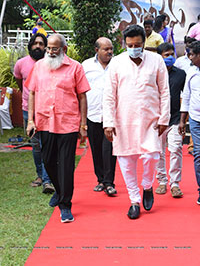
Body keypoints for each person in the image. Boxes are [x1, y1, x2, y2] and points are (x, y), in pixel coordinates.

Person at [103, 25, 170, 219]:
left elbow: (164, 91)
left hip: (151, 119)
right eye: (130, 45)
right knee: (126, 160)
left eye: (138, 44)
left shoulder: (157, 60)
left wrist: (164, 118)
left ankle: (147, 185)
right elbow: (109, 95)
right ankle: (134, 200)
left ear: (144, 43)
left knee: (151, 157)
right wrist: (108, 122)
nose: (134, 47)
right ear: (125, 44)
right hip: (123, 119)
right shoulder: (116, 63)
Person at [26, 34, 90, 223]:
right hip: (44, 122)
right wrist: (30, 120)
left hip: (68, 123)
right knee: (47, 160)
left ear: (64, 49)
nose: (51, 52)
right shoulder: (38, 67)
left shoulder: (76, 67)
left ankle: (65, 204)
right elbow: (32, 93)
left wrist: (83, 124)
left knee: (66, 165)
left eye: (55, 49)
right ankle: (59, 190)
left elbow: (82, 97)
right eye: (48, 48)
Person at [14, 33, 55, 194]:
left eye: (41, 44)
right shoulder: (21, 64)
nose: (38, 46)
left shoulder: (51, 64)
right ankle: (40, 175)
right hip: (27, 110)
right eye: (35, 44)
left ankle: (47, 179)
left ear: (45, 47)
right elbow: (20, 81)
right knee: (36, 145)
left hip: (46, 110)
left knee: (47, 144)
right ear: (30, 46)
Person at [82, 37, 117, 196]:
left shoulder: (118, 65)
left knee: (109, 149)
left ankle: (109, 182)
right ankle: (101, 180)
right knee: (96, 149)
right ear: (97, 50)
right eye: (106, 49)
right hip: (93, 113)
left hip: (112, 115)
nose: (109, 51)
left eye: (111, 48)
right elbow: (81, 91)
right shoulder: (86, 65)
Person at [155, 43, 186, 197]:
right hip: (157, 119)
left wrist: (182, 120)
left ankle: (175, 183)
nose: (170, 57)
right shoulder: (153, 74)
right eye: (166, 55)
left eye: (171, 54)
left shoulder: (181, 74)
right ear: (159, 57)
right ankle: (161, 181)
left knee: (176, 149)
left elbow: (185, 97)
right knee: (158, 152)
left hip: (174, 119)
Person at [179, 40, 200, 205]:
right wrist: (182, 121)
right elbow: (186, 96)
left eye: (192, 54)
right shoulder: (191, 72)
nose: (189, 58)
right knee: (198, 155)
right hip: (195, 119)